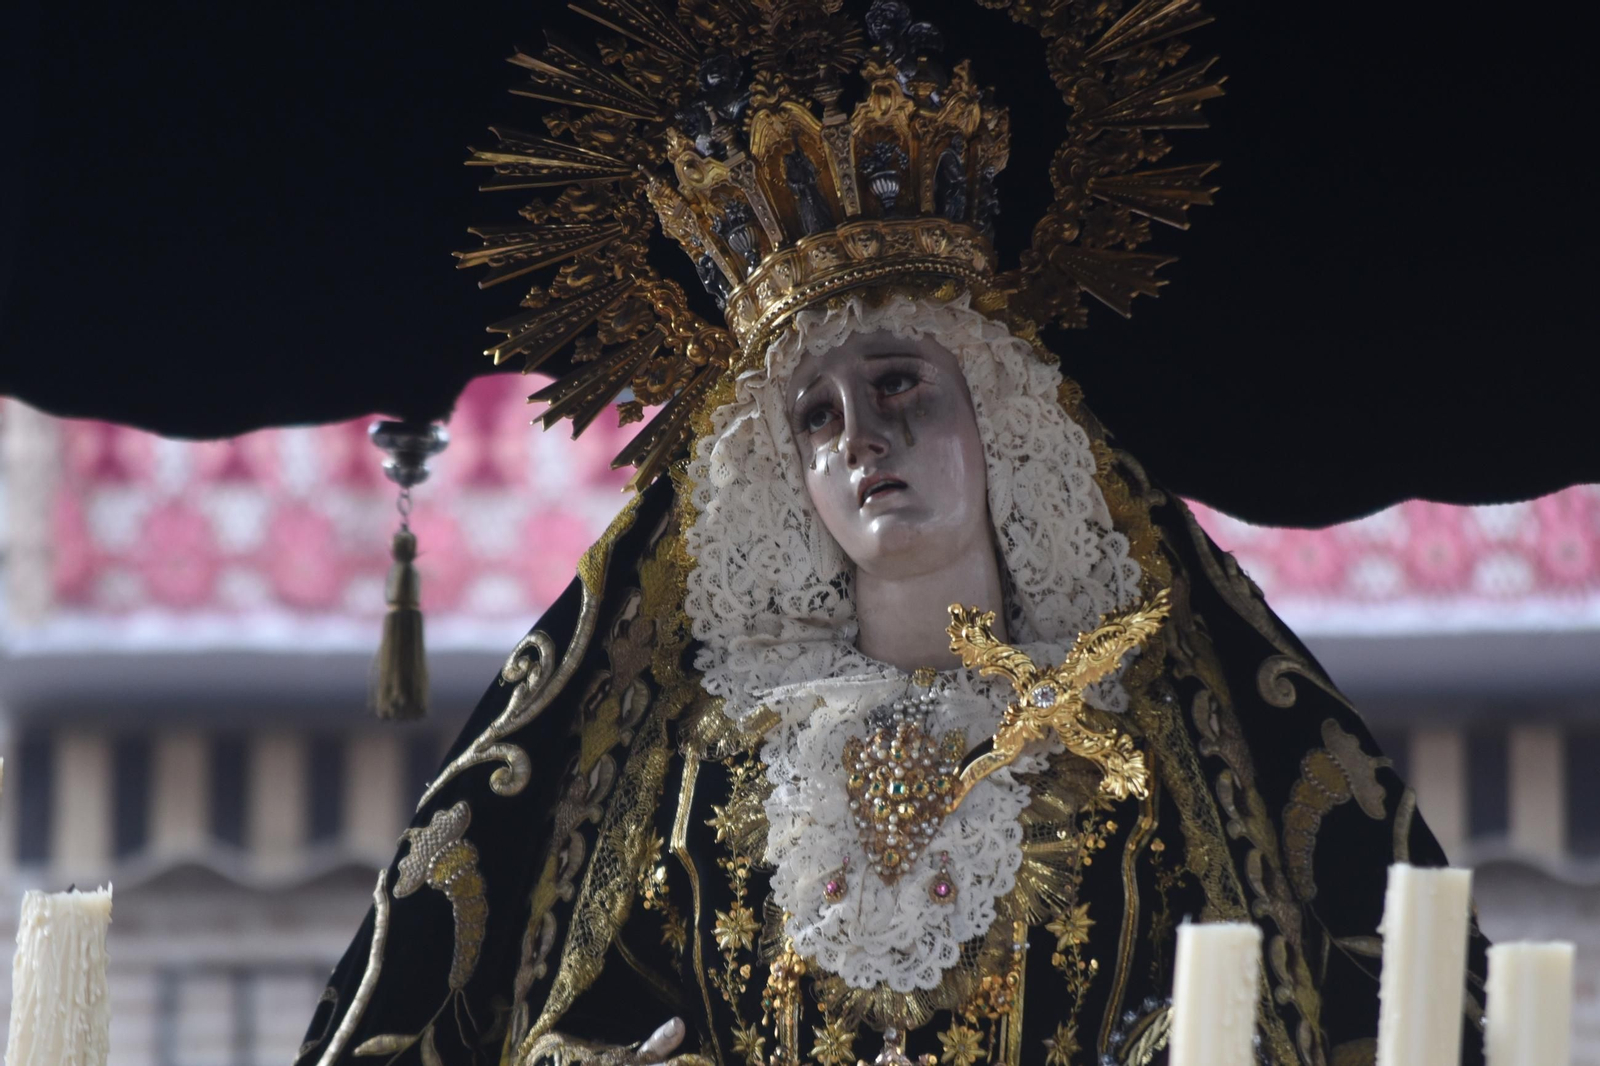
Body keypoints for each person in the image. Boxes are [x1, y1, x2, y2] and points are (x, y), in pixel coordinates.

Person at [295, 2, 1489, 1063]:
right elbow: (571, 1013)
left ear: (1001, 417)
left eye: (902, 382)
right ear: (781, 480)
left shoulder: (1139, 742)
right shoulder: (703, 768)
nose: (861, 438)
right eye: (815, 415)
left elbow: (1243, 993)